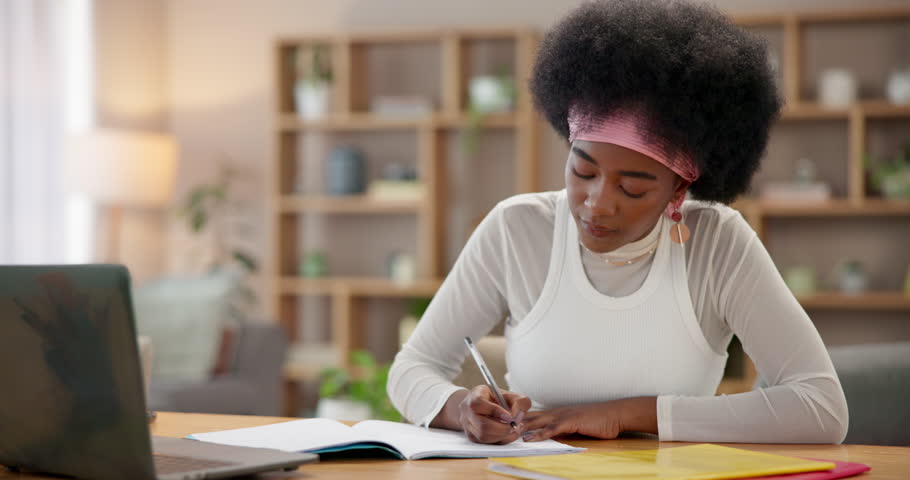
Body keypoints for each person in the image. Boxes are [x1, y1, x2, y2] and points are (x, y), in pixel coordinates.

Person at [387, 0, 848, 445]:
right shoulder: (517, 229)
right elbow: (413, 368)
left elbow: (821, 408)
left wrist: (624, 414)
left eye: (632, 188)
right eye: (583, 171)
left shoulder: (719, 244)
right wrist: (459, 407)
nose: (597, 203)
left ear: (679, 188)